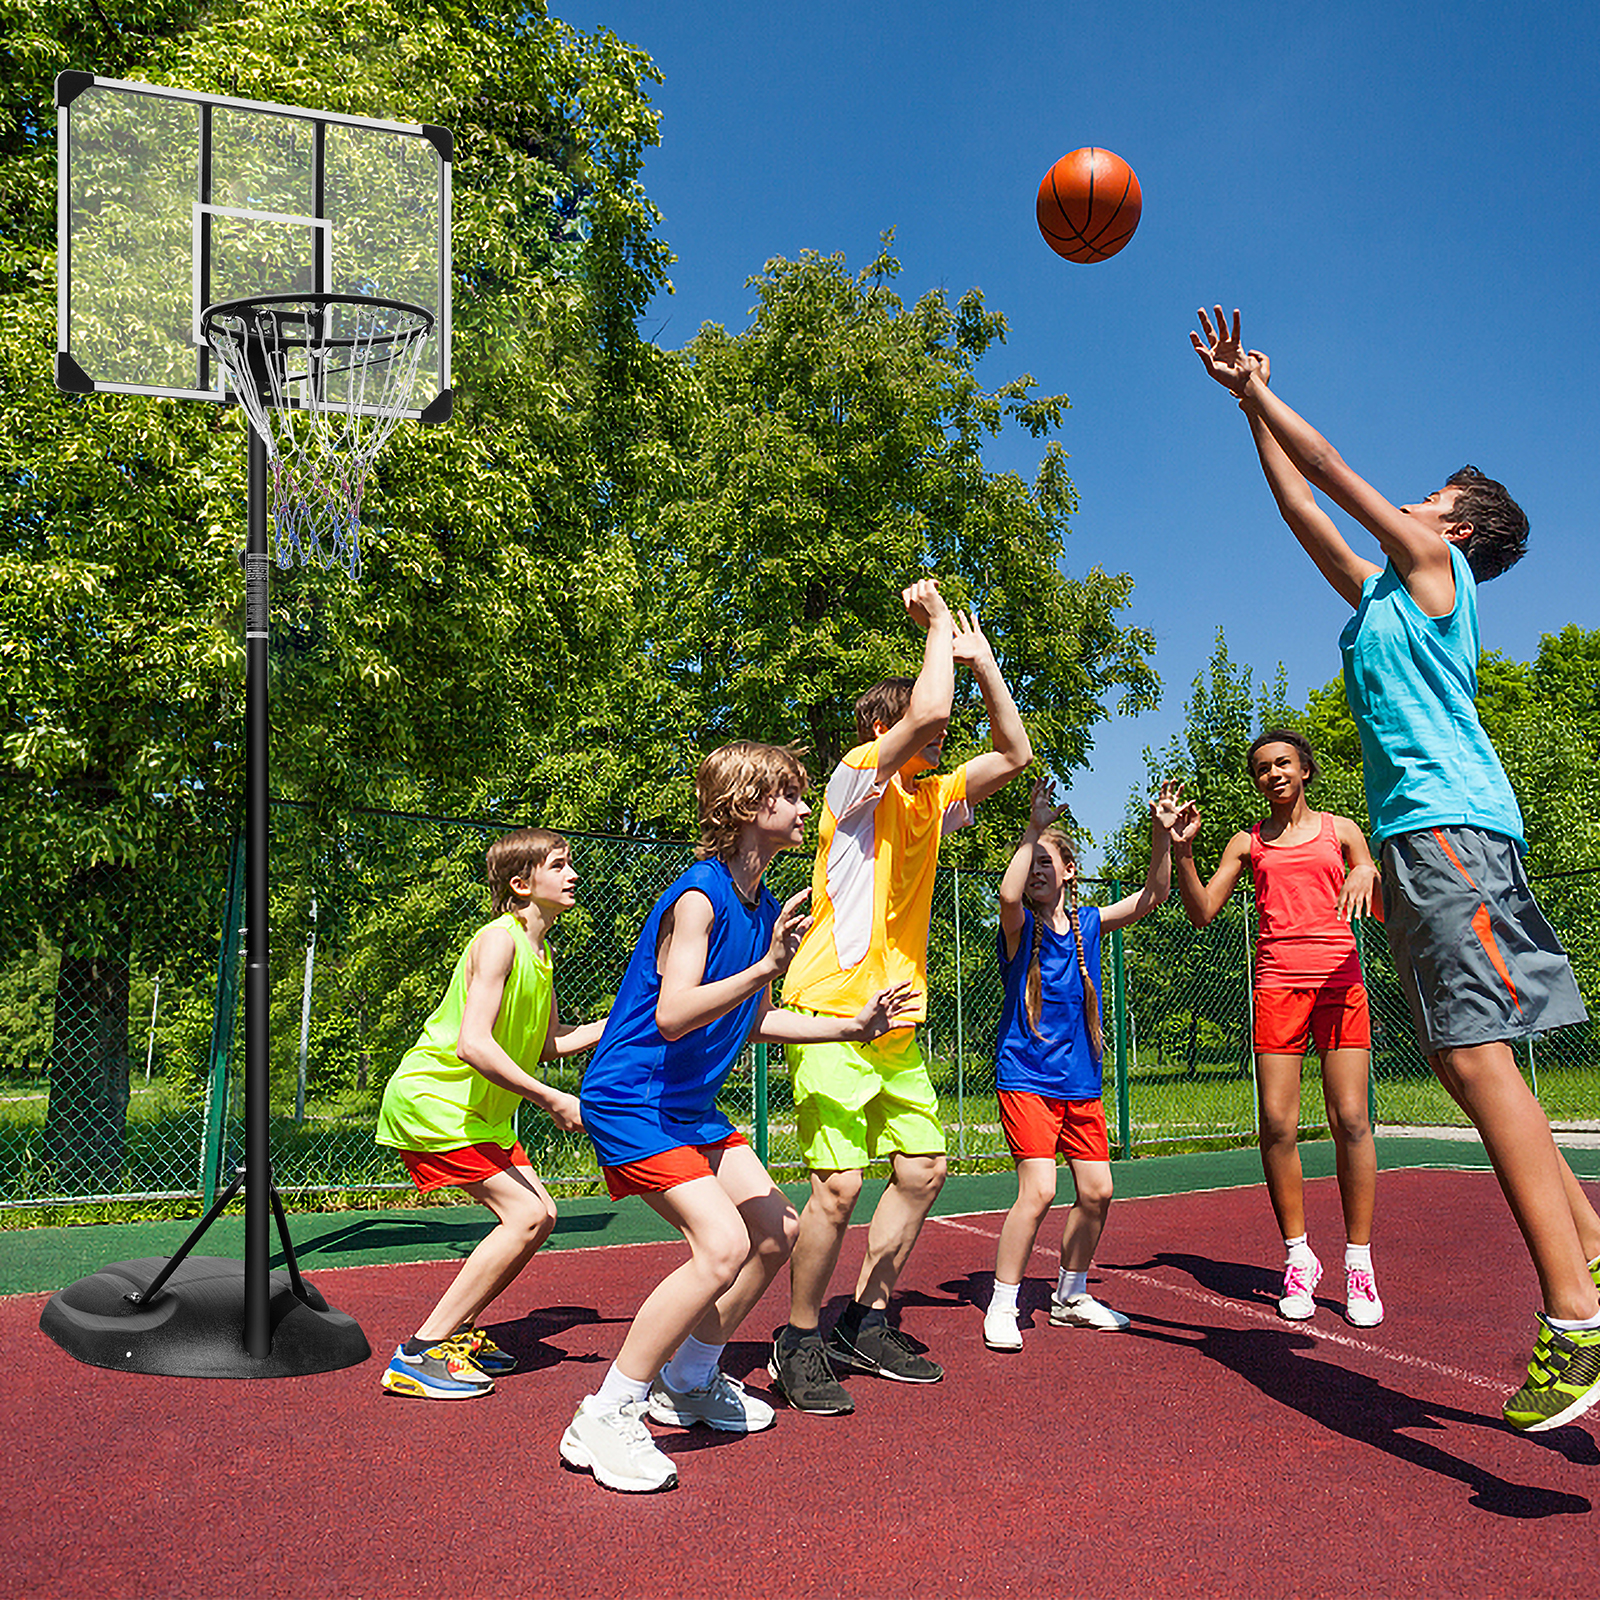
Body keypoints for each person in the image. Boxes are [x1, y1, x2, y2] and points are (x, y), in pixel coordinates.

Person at [1192, 306, 1600, 1432]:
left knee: (1472, 1060)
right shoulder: (1382, 594)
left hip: (1449, 833)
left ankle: (1574, 1322)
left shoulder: (1435, 568)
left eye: (1428, 497)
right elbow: (1302, 503)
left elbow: (1331, 466)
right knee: (1475, 1066)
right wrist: (1247, 412)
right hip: (1430, 842)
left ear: (1456, 528)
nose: (1410, 503)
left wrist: (1259, 387)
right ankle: (1594, 1252)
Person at [560, 742, 916, 1493]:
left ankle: (688, 1380)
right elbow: (673, 1013)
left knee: (777, 1231)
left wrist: (852, 1027)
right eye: (791, 795)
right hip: (634, 1098)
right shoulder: (699, 898)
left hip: (687, 1105)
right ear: (750, 805)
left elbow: (755, 1022)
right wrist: (765, 969)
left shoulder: (761, 909)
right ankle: (606, 1412)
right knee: (720, 1246)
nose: (804, 807)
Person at [769, 578, 1033, 1414]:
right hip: (829, 1014)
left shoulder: (931, 797)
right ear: (882, 733)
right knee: (839, 1187)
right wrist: (937, 627)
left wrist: (983, 661)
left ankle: (865, 1320)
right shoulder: (855, 783)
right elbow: (930, 713)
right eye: (916, 728)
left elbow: (1015, 754)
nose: (936, 735)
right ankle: (797, 1338)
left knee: (923, 1171)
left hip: (895, 1020)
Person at [375, 828, 604, 1399]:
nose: (572, 875)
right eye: (559, 865)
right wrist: (552, 1098)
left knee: (541, 1217)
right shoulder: (498, 941)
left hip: (482, 1113)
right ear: (522, 884)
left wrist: (624, 1021)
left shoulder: (542, 953)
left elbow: (548, 1043)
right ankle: (420, 1352)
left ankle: (458, 1334)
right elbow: (473, 1044)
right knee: (524, 1217)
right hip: (437, 1103)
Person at [1169, 730, 1384, 1327]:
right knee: (1277, 1124)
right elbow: (1202, 911)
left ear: (1304, 769)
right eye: (1263, 768)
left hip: (1340, 981)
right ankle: (1298, 1257)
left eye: (1283, 763)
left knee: (1351, 1119)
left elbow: (1370, 879)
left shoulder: (1343, 831)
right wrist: (1183, 851)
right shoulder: (1247, 842)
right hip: (1277, 985)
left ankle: (1359, 1263)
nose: (1274, 774)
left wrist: (1366, 870)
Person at [983, 775, 1179, 1352]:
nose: (1036, 870)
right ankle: (1003, 1303)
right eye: (1031, 862)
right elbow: (1007, 896)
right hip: (1027, 1078)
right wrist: (1032, 831)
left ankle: (1070, 1296)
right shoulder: (1020, 929)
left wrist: (1161, 836)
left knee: (1097, 1192)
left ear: (1070, 871)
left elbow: (1153, 895)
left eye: (1047, 861)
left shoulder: (1090, 924)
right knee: (1039, 1190)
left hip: (1080, 1082)